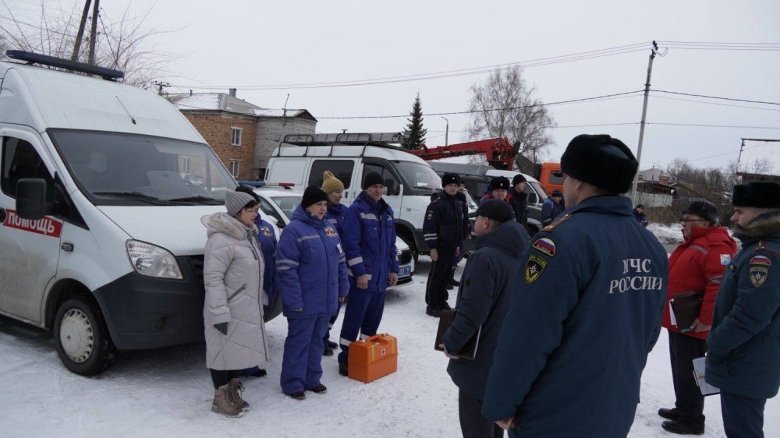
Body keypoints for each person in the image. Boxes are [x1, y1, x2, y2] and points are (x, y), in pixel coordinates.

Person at [481, 134, 668, 436]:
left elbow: (528, 334)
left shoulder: (560, 240)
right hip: (613, 408)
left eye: (565, 177)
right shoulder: (649, 244)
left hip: (554, 415)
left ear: (578, 182)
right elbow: (647, 334)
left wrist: (501, 404)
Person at [441, 199, 528, 438]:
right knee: (493, 422)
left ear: (486, 222)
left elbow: (472, 312)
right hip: (504, 356)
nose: (475, 222)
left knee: (475, 426)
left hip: (479, 360)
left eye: (477, 218)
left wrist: (451, 342)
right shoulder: (523, 255)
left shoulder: (485, 258)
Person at [705, 181, 780, 438]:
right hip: (747, 360)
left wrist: (717, 342)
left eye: (740, 211)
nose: (733, 216)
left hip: (746, 362)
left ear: (765, 213)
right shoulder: (756, 247)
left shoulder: (765, 256)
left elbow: (751, 315)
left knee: (744, 430)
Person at [659, 200, 737, 435]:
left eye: (688, 220)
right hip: (681, 320)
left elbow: (718, 286)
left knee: (693, 371)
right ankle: (683, 408)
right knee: (680, 367)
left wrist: (705, 319)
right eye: (682, 220)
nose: (683, 225)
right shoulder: (695, 243)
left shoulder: (715, 246)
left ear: (704, 222)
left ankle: (692, 420)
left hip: (695, 324)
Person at [276, 186, 349, 400]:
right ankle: (293, 383)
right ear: (307, 205)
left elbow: (340, 260)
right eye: (319, 204)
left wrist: (343, 287)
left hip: (325, 299)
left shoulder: (329, 229)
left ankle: (312, 379)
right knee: (299, 342)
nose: (323, 208)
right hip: (303, 301)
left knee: (318, 341)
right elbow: (285, 269)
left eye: (325, 204)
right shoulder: (294, 230)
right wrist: (294, 299)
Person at [201, 189, 269, 417]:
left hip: (245, 306)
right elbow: (212, 278)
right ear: (237, 211)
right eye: (251, 210)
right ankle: (219, 398)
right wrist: (219, 311)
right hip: (226, 306)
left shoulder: (247, 235)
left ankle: (232, 392)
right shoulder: (220, 239)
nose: (255, 214)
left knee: (236, 351)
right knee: (221, 352)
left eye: (257, 209)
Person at [337, 172, 399, 376]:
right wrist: (359, 273)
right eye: (374, 187)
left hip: (381, 279)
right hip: (363, 279)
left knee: (372, 320)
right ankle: (346, 358)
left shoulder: (387, 211)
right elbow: (351, 245)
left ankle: (364, 353)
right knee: (354, 319)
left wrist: (393, 269)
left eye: (381, 187)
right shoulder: (357, 210)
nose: (379, 191)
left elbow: (391, 245)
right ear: (365, 188)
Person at [235, 185, 277, 378]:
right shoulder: (233, 227)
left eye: (256, 206)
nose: (255, 210)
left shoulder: (266, 227)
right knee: (240, 326)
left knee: (256, 324)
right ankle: (236, 364)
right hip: (242, 286)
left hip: (263, 284)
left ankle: (251, 362)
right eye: (250, 207)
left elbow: (274, 254)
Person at [423, 173, 466, 317]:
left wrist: (458, 245)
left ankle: (442, 300)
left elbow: (458, 226)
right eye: (450, 185)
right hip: (440, 247)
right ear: (444, 186)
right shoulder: (437, 203)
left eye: (455, 185)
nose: (453, 188)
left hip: (452, 246)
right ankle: (432, 304)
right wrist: (432, 248)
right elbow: (429, 227)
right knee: (436, 276)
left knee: (446, 276)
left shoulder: (456, 202)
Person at [321, 170, 348, 356]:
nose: (339, 195)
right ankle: (320, 339)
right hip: (328, 266)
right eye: (335, 192)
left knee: (337, 304)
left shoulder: (345, 211)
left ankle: (326, 334)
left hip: (342, 264)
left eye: (341, 191)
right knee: (328, 305)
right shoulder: (323, 213)